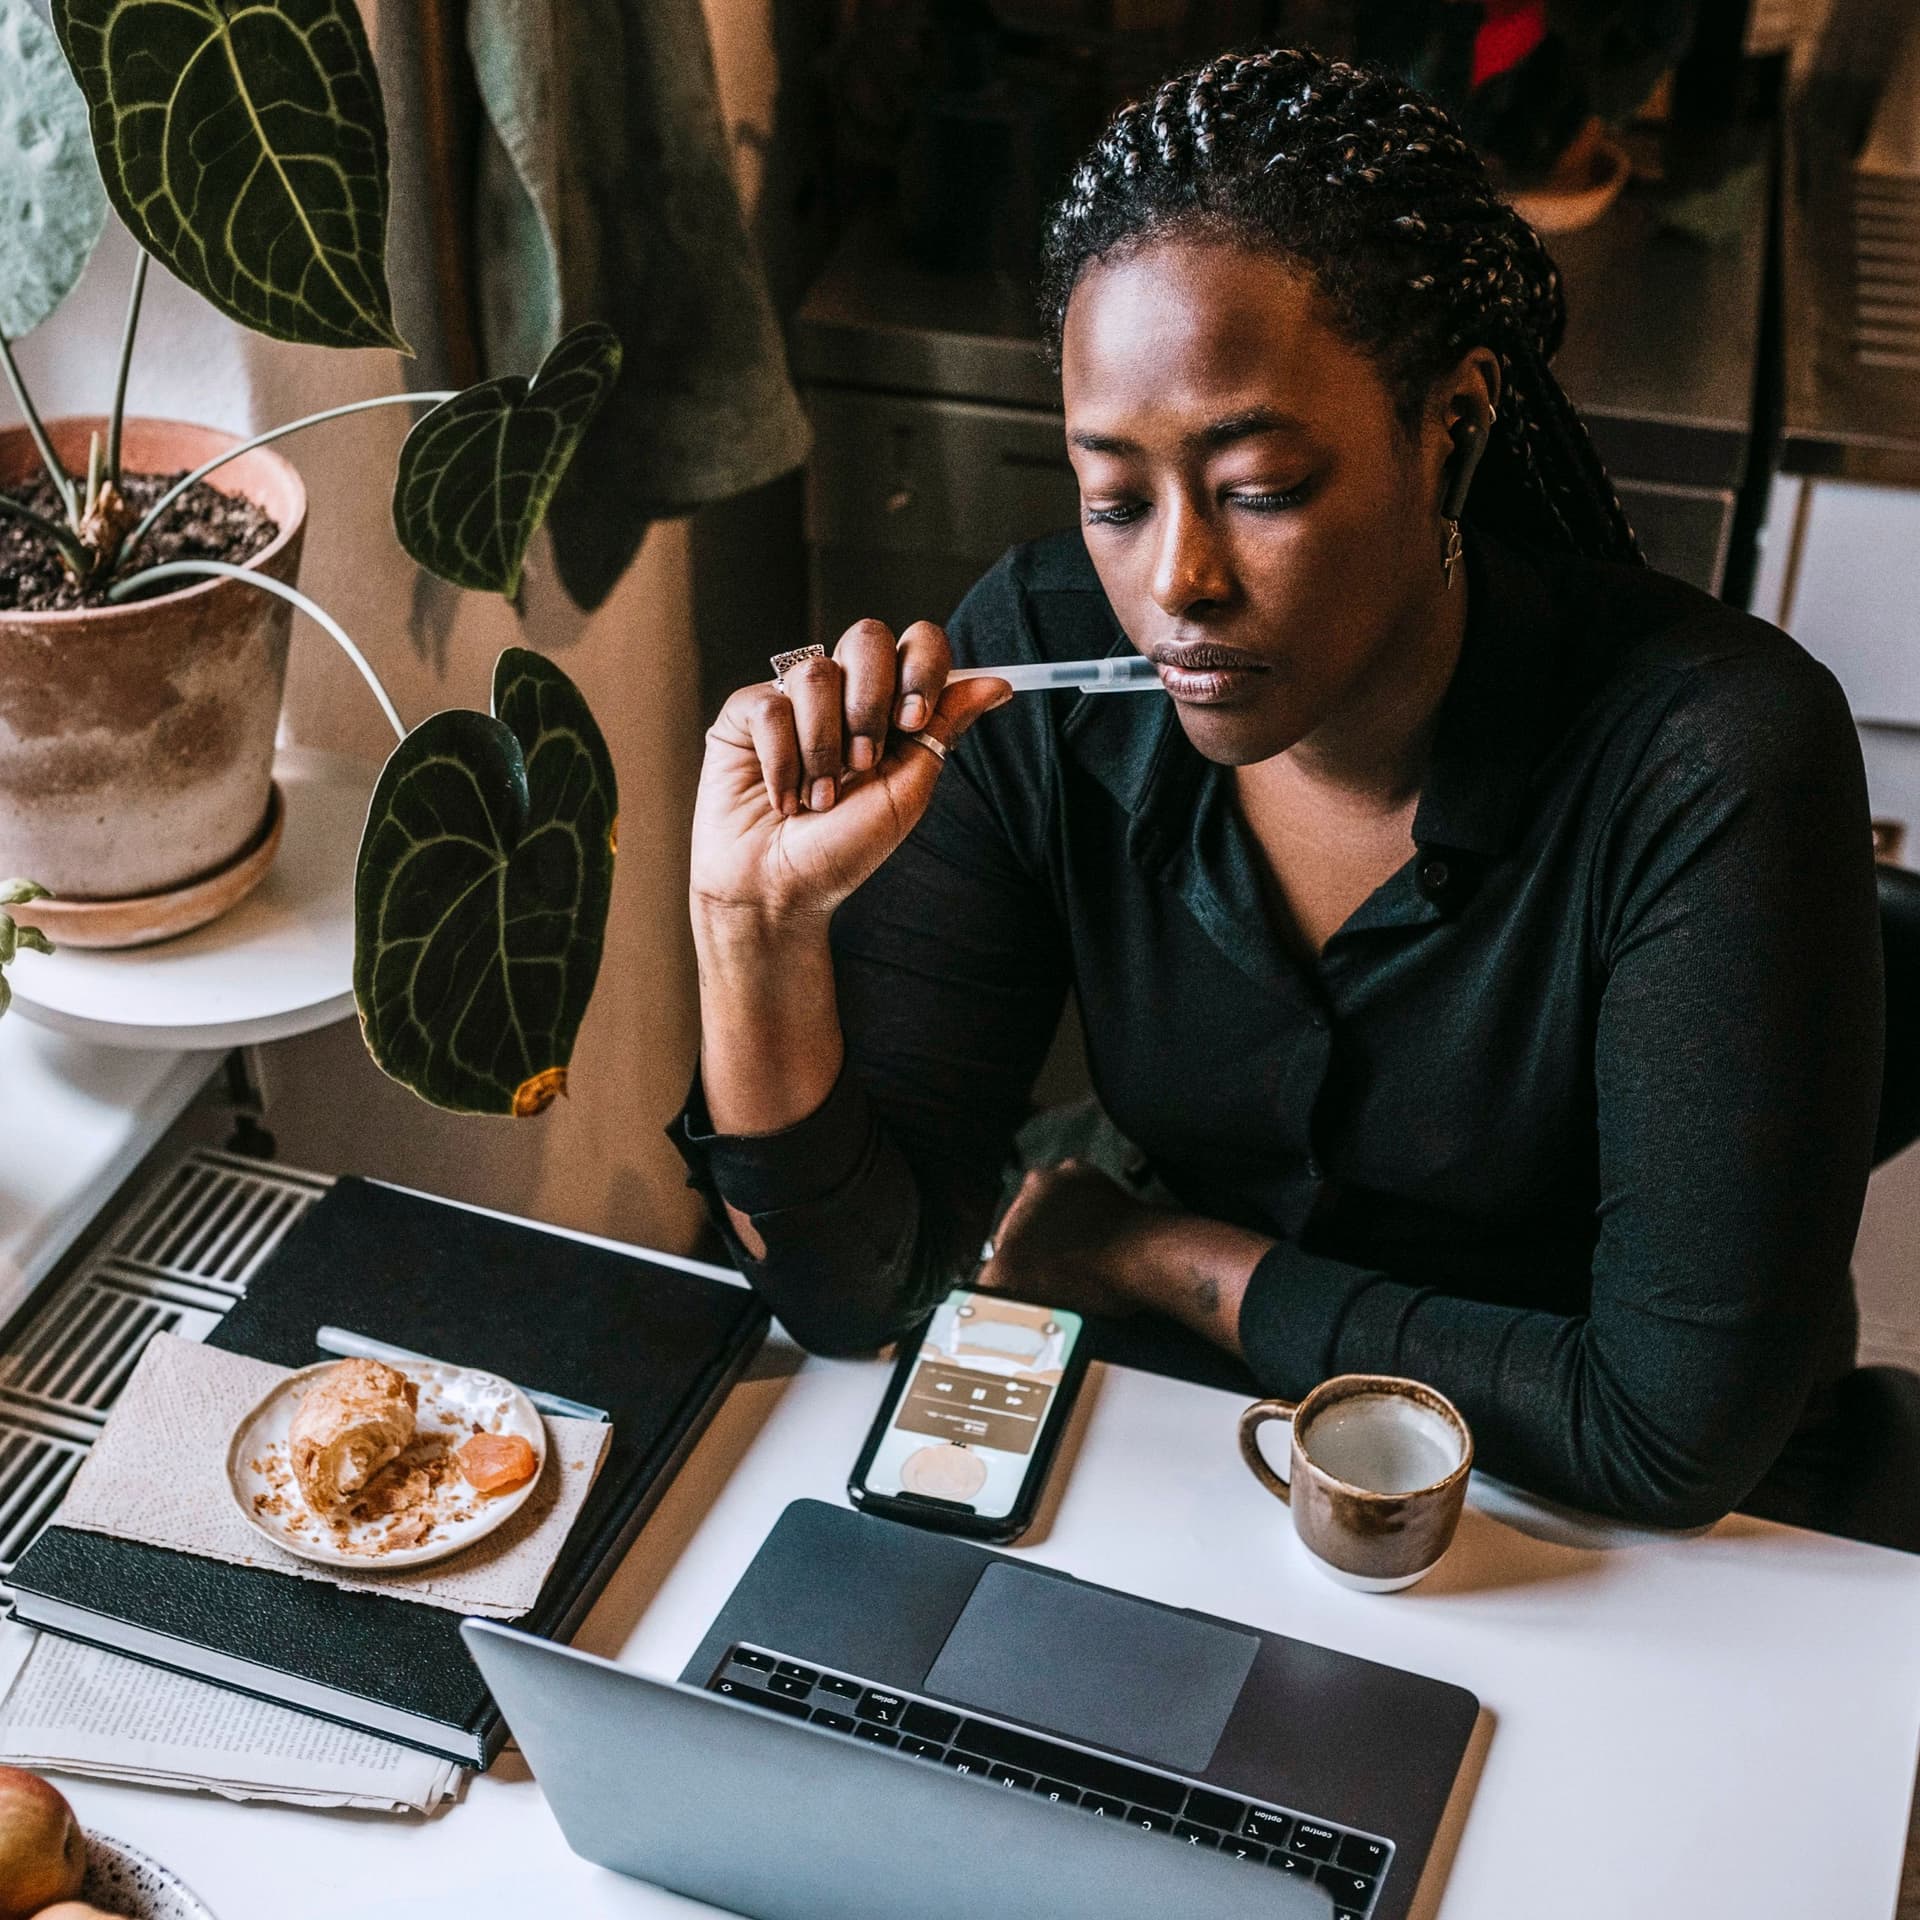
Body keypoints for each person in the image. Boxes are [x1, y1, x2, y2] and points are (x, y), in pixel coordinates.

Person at [670, 47, 1885, 1537]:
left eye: (1261, 489)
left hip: (1640, 1547)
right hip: (1239, 1462)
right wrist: (754, 929)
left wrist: (1167, 1263)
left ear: (1450, 427)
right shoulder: (1039, 657)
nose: (1176, 580)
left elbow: (1663, 1435)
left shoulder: (1712, 761)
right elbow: (853, 1292)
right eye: (1114, 498)